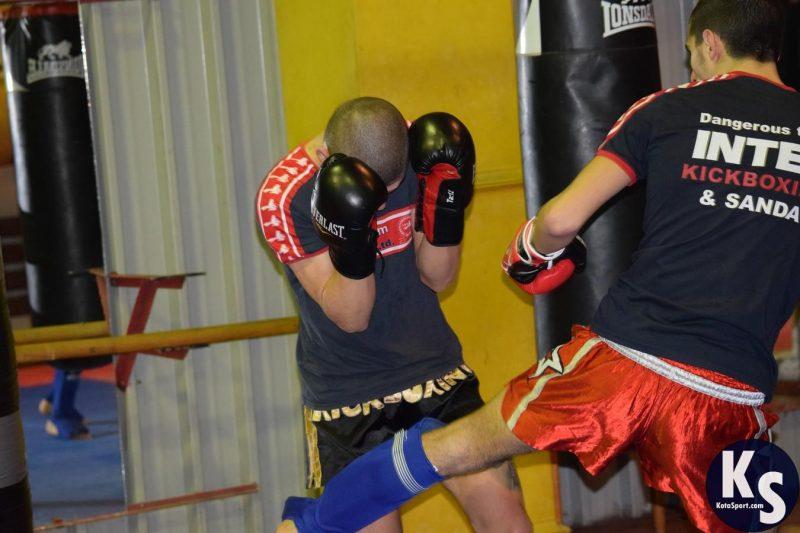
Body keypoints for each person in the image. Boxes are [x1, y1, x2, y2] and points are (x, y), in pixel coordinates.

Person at [279, 1, 800, 531]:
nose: (692, 68)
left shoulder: (666, 110)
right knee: (745, 518)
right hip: (732, 387)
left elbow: (560, 219)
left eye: (691, 54)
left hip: (625, 357)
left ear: (711, 43)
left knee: (456, 448)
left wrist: (528, 252)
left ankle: (307, 525)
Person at [257, 97, 531, 532]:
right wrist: (352, 237)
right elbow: (352, 317)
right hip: (348, 396)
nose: (383, 203)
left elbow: (438, 277)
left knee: (509, 525)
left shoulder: (419, 150)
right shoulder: (286, 196)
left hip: (435, 372)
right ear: (327, 158)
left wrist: (445, 206)